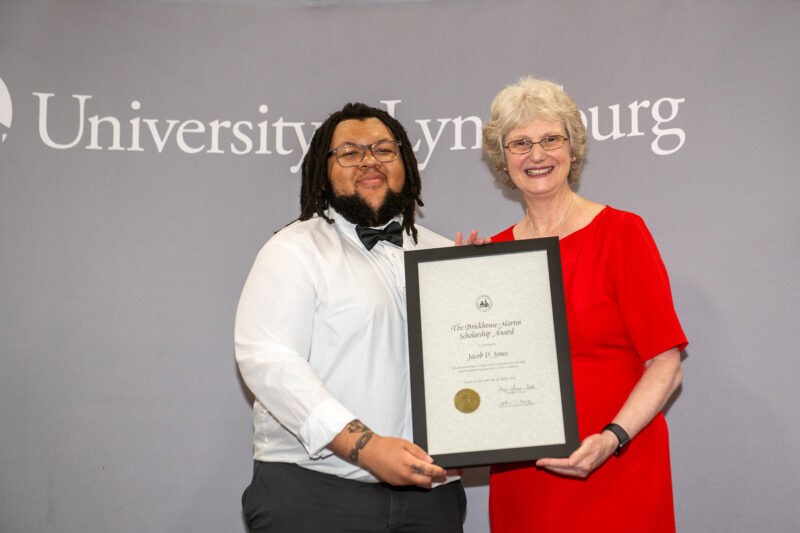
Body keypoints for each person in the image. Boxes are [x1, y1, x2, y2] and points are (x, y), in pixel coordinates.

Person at [234, 102, 466, 532]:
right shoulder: (293, 250)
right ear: (324, 169)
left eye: (383, 149)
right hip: (315, 495)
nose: (369, 162)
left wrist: (487, 285)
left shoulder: (446, 256)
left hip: (432, 498)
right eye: (350, 152)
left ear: (406, 162)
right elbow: (270, 362)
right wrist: (365, 445)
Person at [482, 77, 687, 532]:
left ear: (572, 149)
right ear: (502, 160)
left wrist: (613, 439)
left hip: (616, 467)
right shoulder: (490, 254)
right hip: (527, 479)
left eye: (550, 139)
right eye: (520, 143)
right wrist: (458, 288)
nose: (537, 154)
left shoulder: (621, 233)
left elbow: (665, 363)